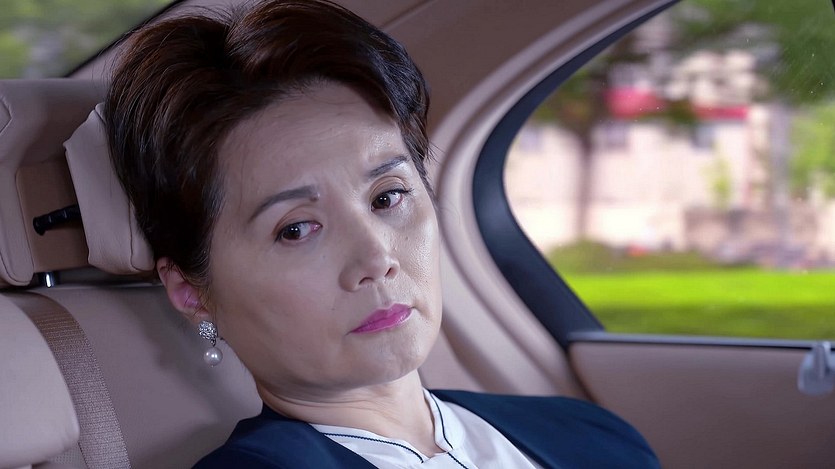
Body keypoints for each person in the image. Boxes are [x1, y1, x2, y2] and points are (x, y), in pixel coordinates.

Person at [104, 1, 660, 467]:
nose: (376, 257)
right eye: (296, 229)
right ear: (191, 292)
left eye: (387, 197)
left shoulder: (593, 435)